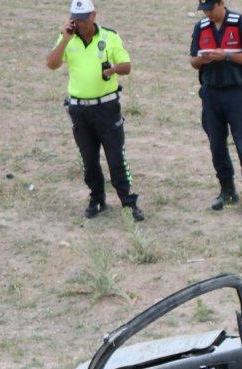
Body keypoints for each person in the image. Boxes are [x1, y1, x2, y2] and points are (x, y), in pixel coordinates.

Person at [45, 0, 143, 221]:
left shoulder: (110, 37)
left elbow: (127, 67)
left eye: (83, 19)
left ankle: (128, 202)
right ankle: (97, 199)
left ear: (93, 16)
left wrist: (113, 69)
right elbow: (51, 64)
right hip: (79, 109)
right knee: (88, 158)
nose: (79, 24)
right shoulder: (67, 38)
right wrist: (64, 40)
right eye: (75, 19)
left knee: (116, 157)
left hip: (107, 108)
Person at [190, 0, 242, 219]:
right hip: (211, 93)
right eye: (205, 10)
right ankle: (227, 190)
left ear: (221, 3)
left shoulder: (240, 23)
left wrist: (226, 55)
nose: (208, 13)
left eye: (211, 8)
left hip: (235, 93)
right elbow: (192, 60)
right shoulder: (201, 28)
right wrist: (201, 60)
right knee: (216, 144)